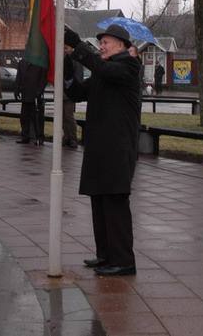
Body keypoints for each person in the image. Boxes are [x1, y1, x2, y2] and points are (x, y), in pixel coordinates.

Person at [64, 23, 140, 277]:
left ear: (121, 45)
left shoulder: (128, 67)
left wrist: (77, 45)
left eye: (106, 42)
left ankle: (124, 261)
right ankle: (106, 255)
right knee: (99, 200)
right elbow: (76, 92)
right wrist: (65, 64)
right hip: (99, 146)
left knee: (115, 202)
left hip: (118, 147)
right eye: (101, 43)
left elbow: (104, 69)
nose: (102, 46)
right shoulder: (103, 70)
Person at [14, 58, 47, 145]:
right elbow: (19, 76)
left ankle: (39, 138)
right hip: (25, 93)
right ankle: (25, 136)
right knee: (24, 117)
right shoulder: (22, 62)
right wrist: (16, 89)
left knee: (37, 118)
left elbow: (43, 78)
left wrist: (39, 91)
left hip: (36, 95)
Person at [62, 48, 83, 149]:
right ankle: (66, 136)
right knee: (61, 117)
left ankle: (73, 138)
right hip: (60, 92)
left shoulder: (75, 60)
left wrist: (75, 91)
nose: (64, 50)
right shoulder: (60, 59)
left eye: (66, 48)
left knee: (69, 116)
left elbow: (79, 77)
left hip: (70, 94)